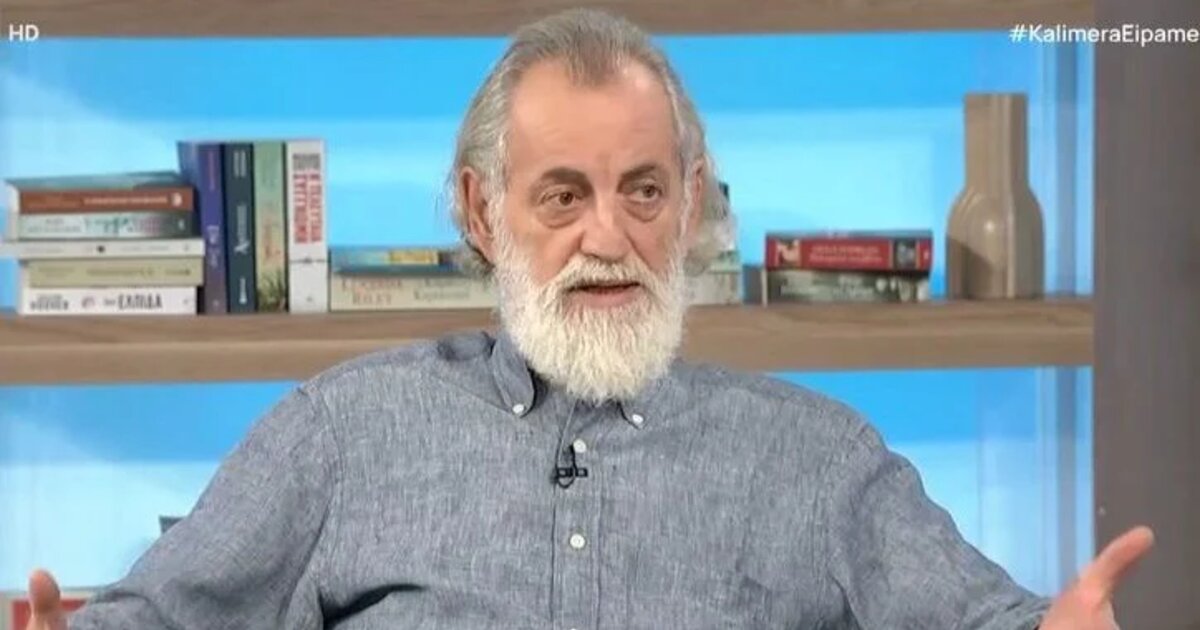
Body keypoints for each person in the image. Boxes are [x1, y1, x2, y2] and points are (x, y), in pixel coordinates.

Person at [25, 8, 1153, 629]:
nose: (608, 236)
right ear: (484, 212)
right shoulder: (341, 435)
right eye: (563, 196)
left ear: (692, 206)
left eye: (643, 192)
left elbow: (991, 624)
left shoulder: (820, 460)